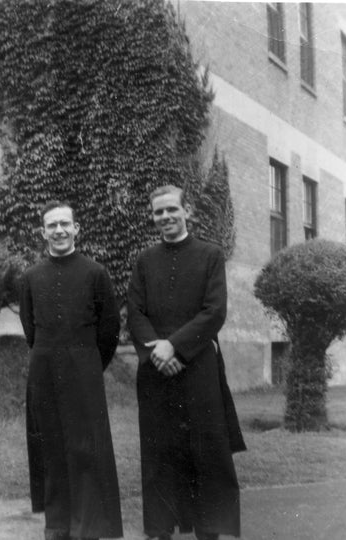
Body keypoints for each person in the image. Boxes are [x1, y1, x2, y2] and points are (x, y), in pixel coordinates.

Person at [127, 185, 246, 540]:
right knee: (159, 454)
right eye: (158, 212)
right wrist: (156, 352)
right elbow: (134, 312)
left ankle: (208, 531)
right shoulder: (144, 260)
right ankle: (160, 530)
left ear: (187, 210)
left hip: (198, 370)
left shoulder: (210, 255)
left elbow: (214, 312)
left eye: (171, 210)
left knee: (205, 454)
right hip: (156, 374)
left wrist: (174, 347)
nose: (165, 217)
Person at [20, 201, 123, 540]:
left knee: (85, 451)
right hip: (45, 373)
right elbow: (31, 330)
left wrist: (89, 365)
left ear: (77, 228)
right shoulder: (32, 276)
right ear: (43, 232)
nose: (59, 230)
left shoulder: (95, 273)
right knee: (51, 451)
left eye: (65, 224)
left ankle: (86, 528)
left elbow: (108, 332)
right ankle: (57, 526)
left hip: (84, 376)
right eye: (52, 226)